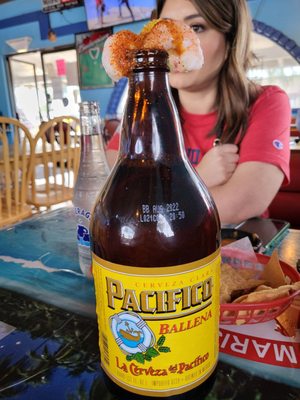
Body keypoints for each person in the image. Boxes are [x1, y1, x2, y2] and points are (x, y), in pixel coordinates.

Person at [106, 0, 291, 225]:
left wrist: (151, 204)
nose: (172, 43)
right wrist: (197, 177)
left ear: (231, 40)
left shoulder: (267, 101)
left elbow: (244, 202)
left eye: (196, 28)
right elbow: (108, 191)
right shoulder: (142, 108)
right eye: (165, 28)